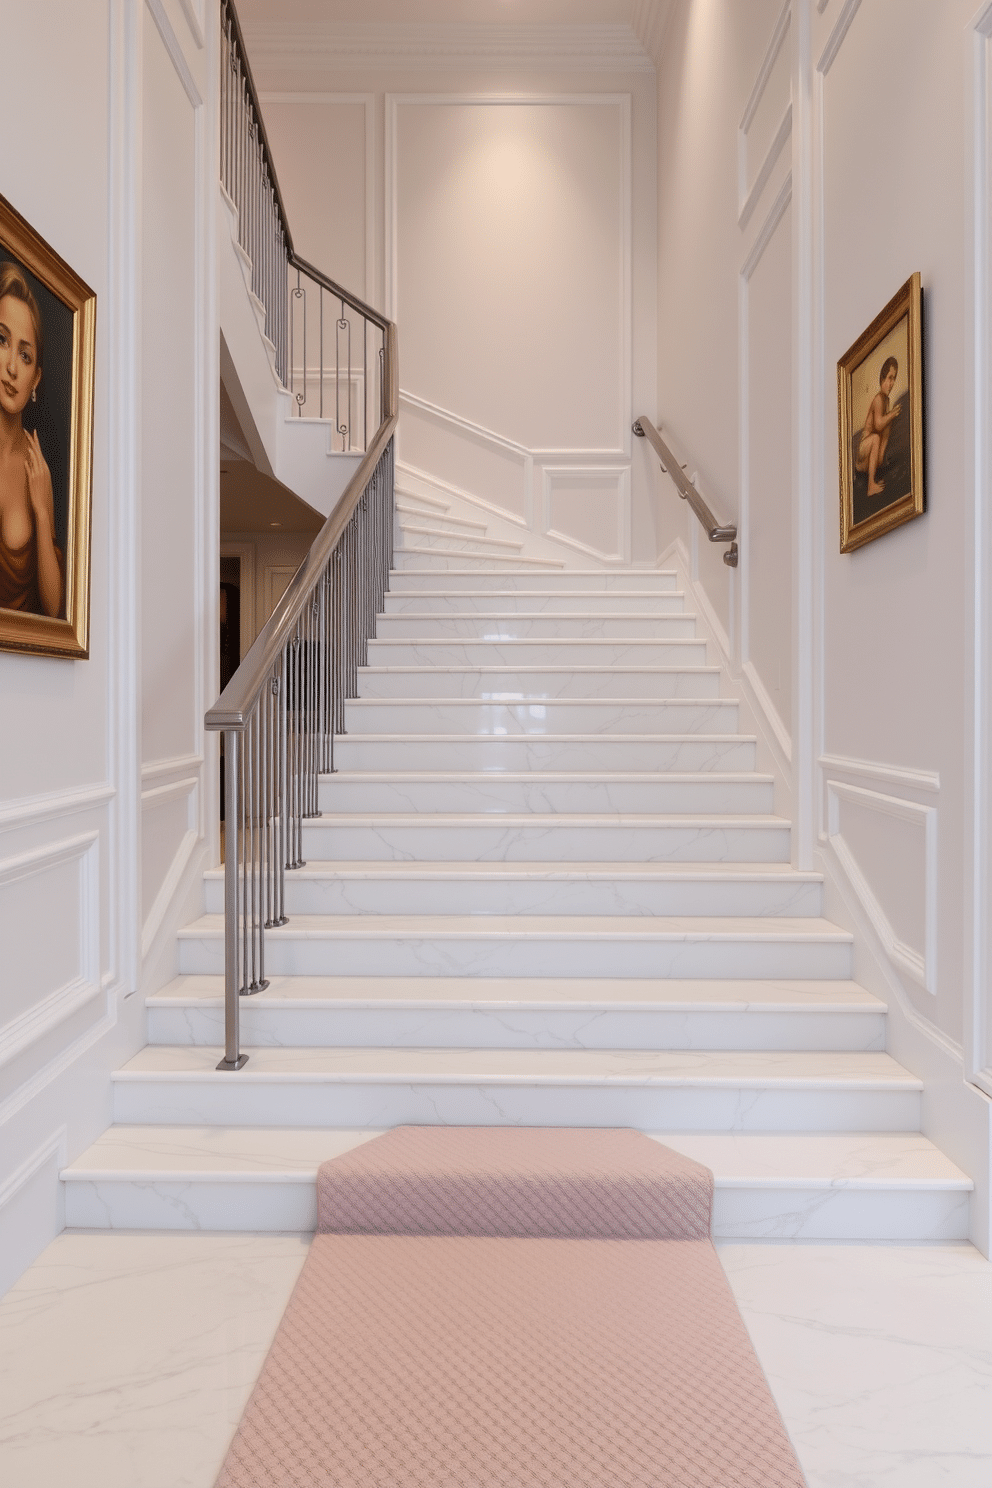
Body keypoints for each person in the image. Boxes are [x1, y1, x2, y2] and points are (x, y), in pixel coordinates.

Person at [0, 261, 64, 617]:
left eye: (24, 355)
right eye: (1, 340)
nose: (11, 367)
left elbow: (54, 611)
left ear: (36, 378)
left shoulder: (36, 470)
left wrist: (42, 511)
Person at [856, 355, 902, 499]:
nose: (892, 383)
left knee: (886, 426)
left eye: (894, 378)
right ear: (882, 379)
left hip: (871, 457)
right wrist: (892, 414)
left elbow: (885, 429)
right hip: (863, 456)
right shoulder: (878, 399)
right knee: (876, 436)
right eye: (889, 378)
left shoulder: (886, 400)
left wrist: (880, 459)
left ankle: (877, 467)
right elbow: (878, 425)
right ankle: (870, 486)